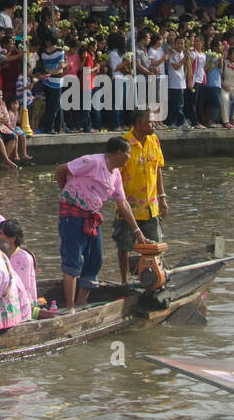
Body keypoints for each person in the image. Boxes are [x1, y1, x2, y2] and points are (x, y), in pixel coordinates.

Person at [56, 138, 145, 309]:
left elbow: (123, 203)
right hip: (72, 214)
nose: (129, 158)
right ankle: (70, 306)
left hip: (92, 216)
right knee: (73, 260)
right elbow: (61, 169)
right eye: (128, 154)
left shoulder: (116, 174)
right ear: (119, 152)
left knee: (95, 258)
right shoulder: (93, 162)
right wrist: (65, 189)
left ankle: (82, 300)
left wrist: (137, 231)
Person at [111, 107, 168, 285]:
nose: (153, 124)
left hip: (151, 205)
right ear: (138, 124)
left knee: (156, 244)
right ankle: (124, 281)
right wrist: (119, 205)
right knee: (124, 246)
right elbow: (115, 176)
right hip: (128, 206)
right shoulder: (124, 144)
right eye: (149, 121)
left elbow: (158, 169)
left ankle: (157, 279)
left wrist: (162, 197)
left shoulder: (154, 141)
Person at [0, 220, 37, 308]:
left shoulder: (24, 258)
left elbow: (22, 288)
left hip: (21, 303)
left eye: (0, 233)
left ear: (12, 238)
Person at [38, 30, 66, 134]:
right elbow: (60, 66)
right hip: (57, 81)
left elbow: (45, 67)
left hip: (46, 81)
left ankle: (57, 126)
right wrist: (59, 69)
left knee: (51, 105)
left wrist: (49, 71)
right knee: (54, 107)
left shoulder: (43, 53)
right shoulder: (60, 51)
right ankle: (50, 128)